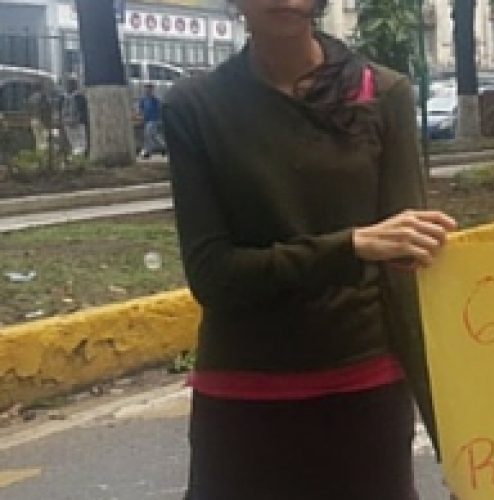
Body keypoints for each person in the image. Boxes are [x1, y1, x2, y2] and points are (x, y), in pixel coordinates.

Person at [164, 1, 457, 498]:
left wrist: (456, 434)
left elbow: (410, 268)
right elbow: (213, 276)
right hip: (244, 398)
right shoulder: (195, 106)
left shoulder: (383, 93)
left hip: (364, 389)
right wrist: (353, 246)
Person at [61, 78, 88, 156]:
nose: (68, 86)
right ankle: (78, 156)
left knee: (80, 142)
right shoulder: (65, 97)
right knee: (75, 142)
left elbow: (83, 110)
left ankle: (80, 156)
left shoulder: (78, 97)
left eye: (69, 84)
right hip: (71, 123)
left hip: (76, 123)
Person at [137, 84, 164, 159]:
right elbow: (140, 108)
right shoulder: (143, 99)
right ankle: (164, 147)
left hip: (153, 120)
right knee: (154, 136)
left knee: (148, 135)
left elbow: (160, 107)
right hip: (146, 120)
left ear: (152, 90)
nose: (147, 90)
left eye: (149, 89)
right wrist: (139, 115)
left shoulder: (155, 99)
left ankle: (148, 152)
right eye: (146, 88)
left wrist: (159, 118)